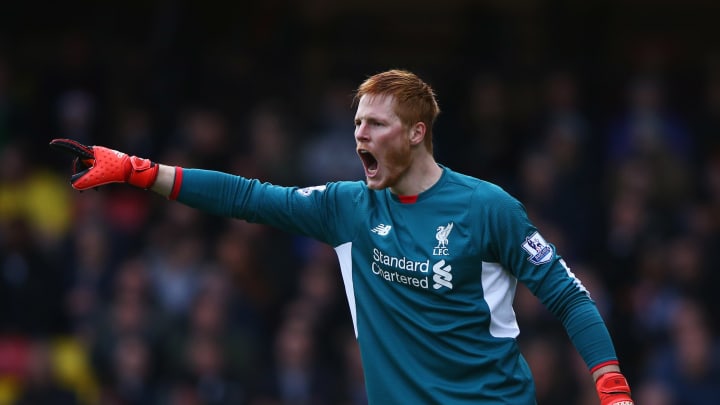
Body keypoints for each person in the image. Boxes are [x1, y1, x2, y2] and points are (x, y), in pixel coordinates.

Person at [50, 69, 634, 404]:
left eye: (374, 124)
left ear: (415, 133)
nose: (360, 135)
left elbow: (568, 295)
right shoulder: (347, 207)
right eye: (357, 123)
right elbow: (247, 197)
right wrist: (140, 171)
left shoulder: (488, 208)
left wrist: (609, 381)